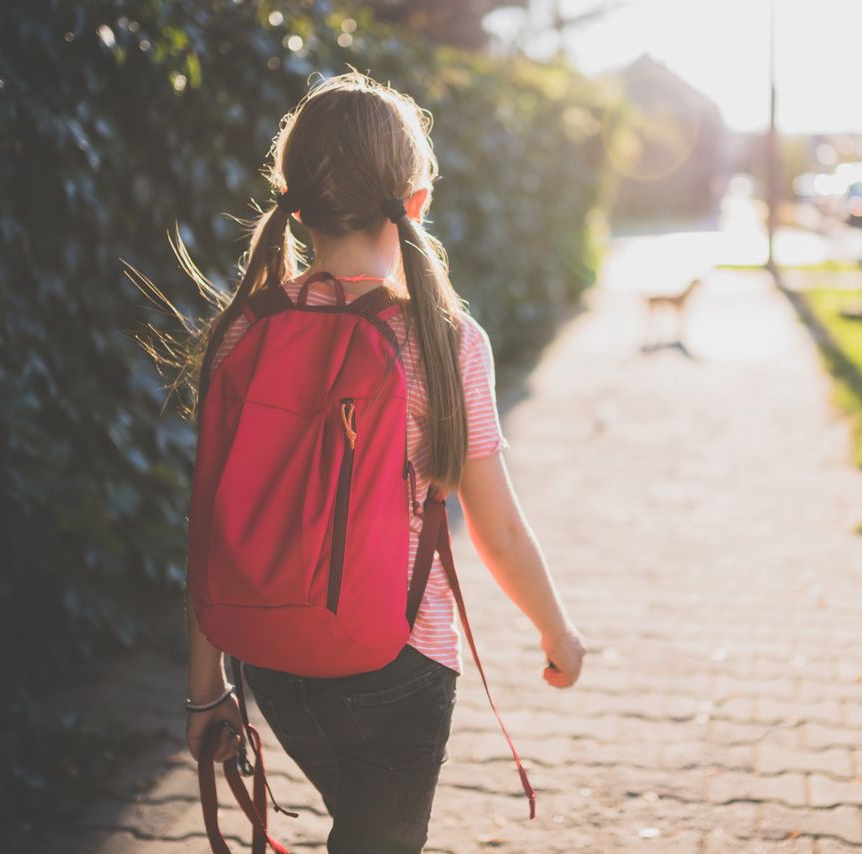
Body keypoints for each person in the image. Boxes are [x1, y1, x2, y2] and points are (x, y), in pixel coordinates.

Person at [180, 71, 587, 853]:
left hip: (268, 655)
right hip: (397, 663)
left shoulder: (242, 331)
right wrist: (556, 632)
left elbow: (210, 521)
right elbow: (496, 527)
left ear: (294, 197)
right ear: (418, 199)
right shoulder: (445, 340)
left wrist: (206, 694)